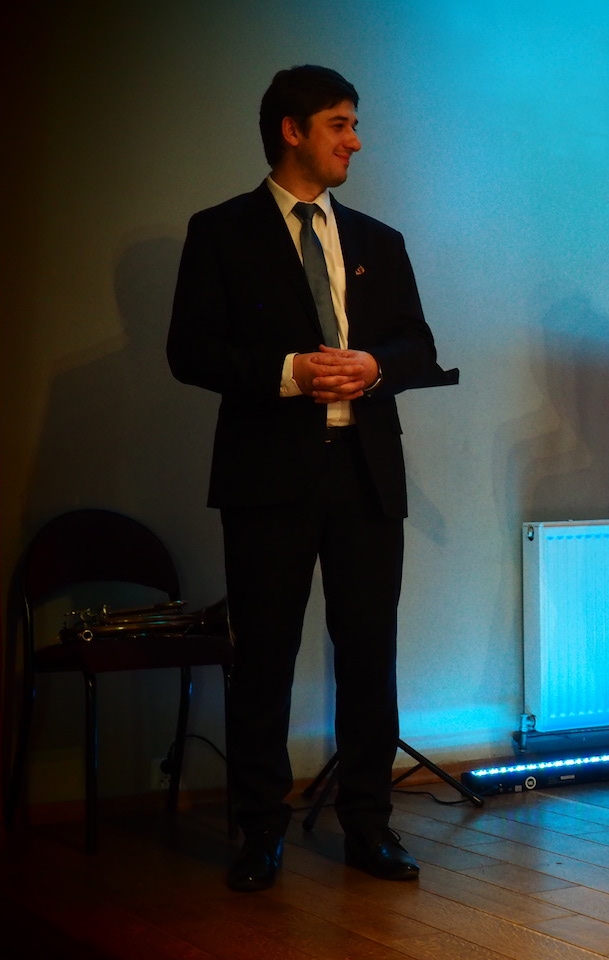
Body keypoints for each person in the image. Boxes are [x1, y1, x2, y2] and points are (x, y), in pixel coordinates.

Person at [167, 65, 446, 892]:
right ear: (292, 131)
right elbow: (190, 351)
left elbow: (417, 346)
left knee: (369, 658)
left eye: (354, 124)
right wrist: (291, 372)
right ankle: (260, 832)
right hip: (267, 478)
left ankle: (370, 826)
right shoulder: (221, 231)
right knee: (265, 660)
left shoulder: (378, 240)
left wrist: (374, 366)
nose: (356, 140)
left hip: (365, 475)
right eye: (340, 124)